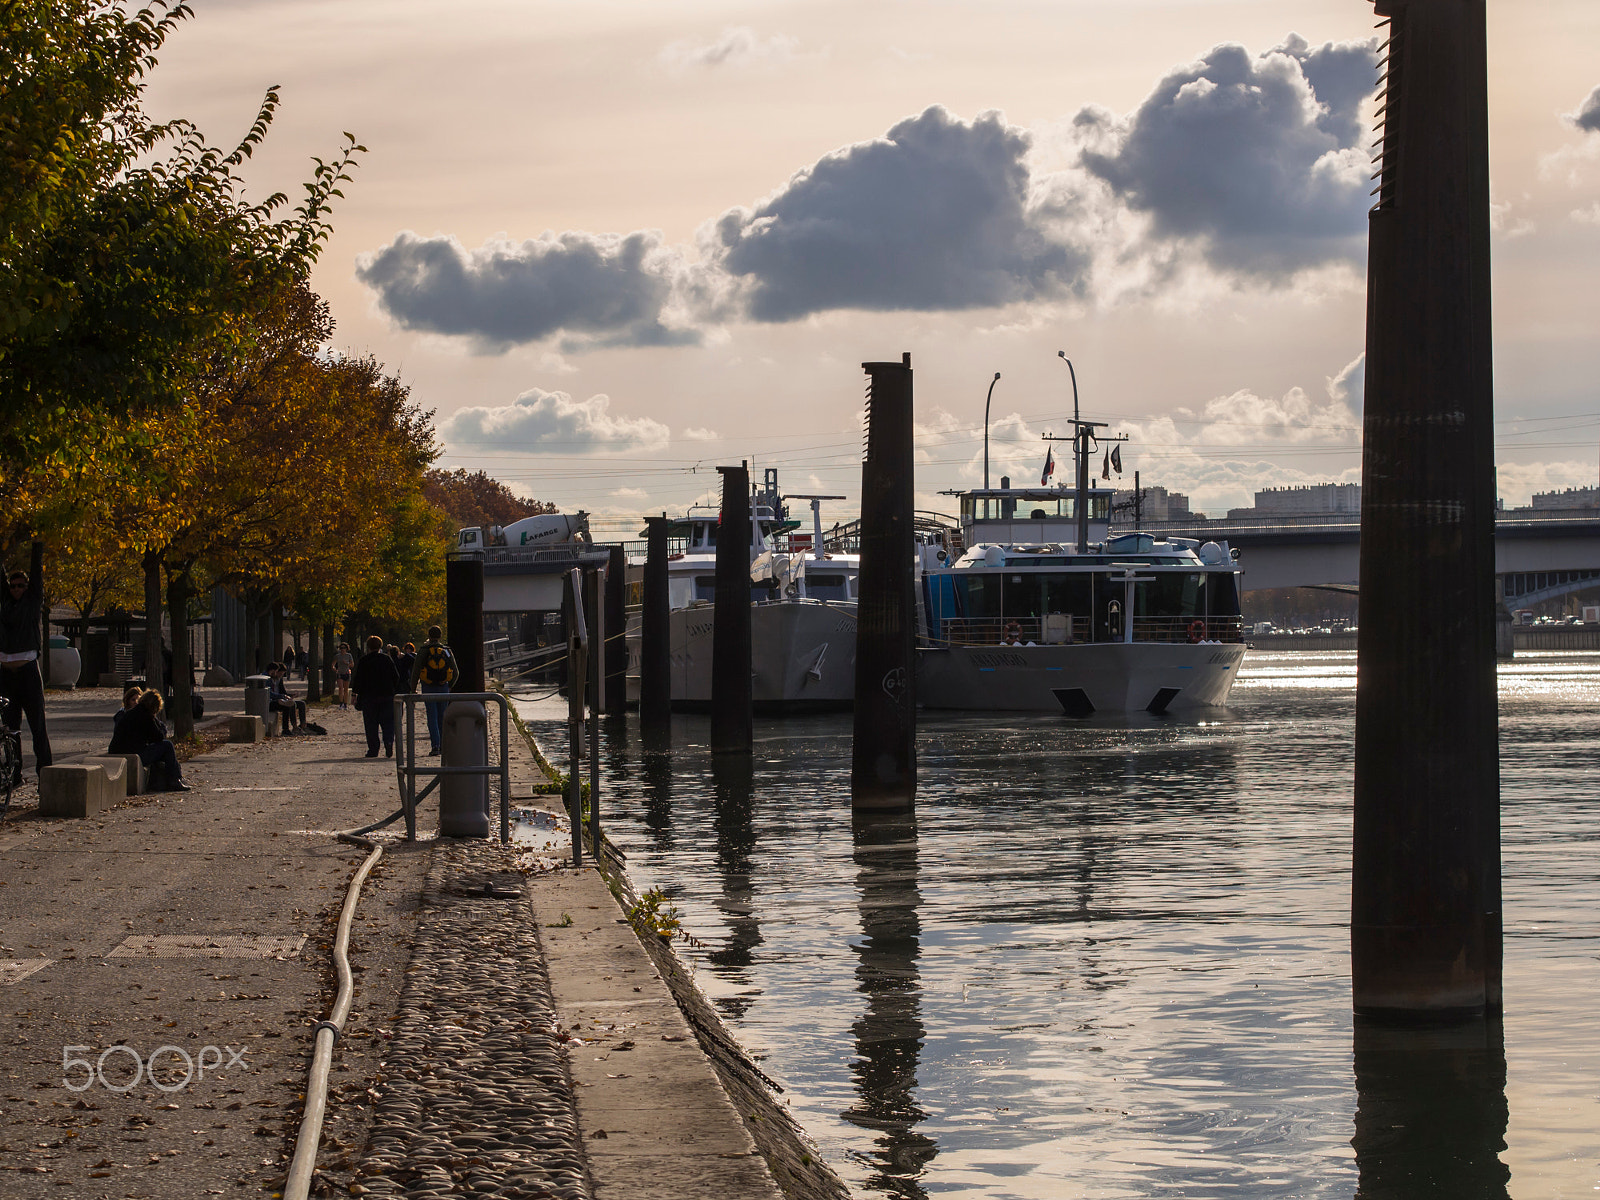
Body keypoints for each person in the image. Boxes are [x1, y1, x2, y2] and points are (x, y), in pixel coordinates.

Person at [0, 542, 53, 787]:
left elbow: (37, 576)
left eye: (21, 585)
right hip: (7, 675)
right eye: (13, 586)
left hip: (29, 672)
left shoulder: (32, 603)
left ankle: (46, 772)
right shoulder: (5, 604)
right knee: (10, 729)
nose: (16, 589)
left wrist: (36, 545)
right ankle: (15, 773)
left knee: (37, 726)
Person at [109, 689, 189, 791]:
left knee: (161, 749)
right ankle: (174, 779)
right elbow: (158, 737)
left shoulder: (132, 713)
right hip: (133, 754)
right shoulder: (145, 715)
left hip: (120, 751)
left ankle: (170, 779)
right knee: (167, 746)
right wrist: (154, 719)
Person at [409, 625, 457, 756]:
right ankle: (444, 745)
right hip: (443, 687)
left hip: (428, 687)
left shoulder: (424, 650)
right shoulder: (446, 650)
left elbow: (416, 671)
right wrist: (450, 685)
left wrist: (413, 689)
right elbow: (456, 671)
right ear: (440, 636)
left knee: (432, 717)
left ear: (429, 636)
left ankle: (435, 746)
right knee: (443, 716)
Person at [351, 634, 403, 758]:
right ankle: (389, 742)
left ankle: (373, 749)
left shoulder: (364, 661)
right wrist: (393, 690)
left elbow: (358, 679)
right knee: (388, 723)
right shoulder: (386, 659)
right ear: (380, 646)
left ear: (368, 647)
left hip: (369, 697)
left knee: (371, 724)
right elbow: (396, 677)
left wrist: (355, 694)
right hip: (386, 696)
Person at [266, 662, 307, 734]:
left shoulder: (279, 680)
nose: (281, 676)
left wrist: (291, 695)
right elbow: (269, 693)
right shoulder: (269, 679)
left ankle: (303, 725)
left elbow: (283, 692)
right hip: (274, 701)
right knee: (290, 705)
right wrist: (283, 697)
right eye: (280, 674)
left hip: (281, 699)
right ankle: (292, 727)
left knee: (302, 703)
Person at [333, 642, 355, 710]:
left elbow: (352, 665)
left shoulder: (349, 655)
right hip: (340, 673)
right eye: (341, 648)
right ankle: (341, 703)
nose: (343, 649)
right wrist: (334, 668)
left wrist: (347, 663)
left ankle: (345, 704)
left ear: (346, 649)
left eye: (344, 648)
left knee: (346, 690)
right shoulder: (337, 656)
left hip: (346, 673)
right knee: (340, 688)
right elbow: (333, 663)